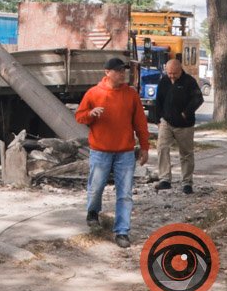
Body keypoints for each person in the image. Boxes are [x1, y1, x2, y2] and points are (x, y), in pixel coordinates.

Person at [75, 57, 150, 248]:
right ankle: (93, 213)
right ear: (107, 73)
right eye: (118, 71)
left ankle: (122, 231)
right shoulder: (93, 93)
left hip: (125, 152)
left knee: (125, 194)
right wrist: (90, 114)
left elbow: (140, 123)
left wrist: (145, 147)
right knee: (96, 187)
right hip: (100, 151)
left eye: (124, 70)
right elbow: (79, 117)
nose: (123, 74)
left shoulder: (131, 94)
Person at [152, 58, 204, 194]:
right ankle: (164, 179)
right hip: (166, 122)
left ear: (180, 70)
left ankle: (187, 182)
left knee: (186, 154)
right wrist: (158, 119)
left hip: (185, 125)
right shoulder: (164, 81)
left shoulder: (189, 81)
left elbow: (199, 99)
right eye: (169, 73)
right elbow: (158, 101)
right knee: (162, 148)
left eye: (174, 73)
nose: (171, 76)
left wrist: (186, 113)